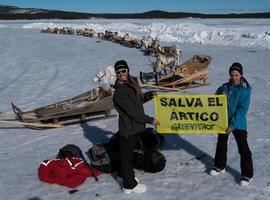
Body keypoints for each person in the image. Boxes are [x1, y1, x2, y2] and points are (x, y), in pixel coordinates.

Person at [112, 60, 160, 194]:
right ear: (116, 74)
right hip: (128, 129)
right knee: (127, 158)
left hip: (134, 128)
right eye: (118, 72)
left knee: (127, 156)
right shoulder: (120, 92)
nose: (121, 74)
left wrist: (149, 95)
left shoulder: (130, 85)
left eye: (124, 71)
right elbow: (133, 112)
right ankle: (129, 185)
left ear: (127, 70)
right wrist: (151, 120)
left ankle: (126, 177)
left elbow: (137, 100)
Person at [209, 62, 253, 186]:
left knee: (243, 148)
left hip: (237, 123)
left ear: (241, 75)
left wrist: (232, 125)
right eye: (232, 75)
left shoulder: (245, 90)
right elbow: (213, 99)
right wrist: (219, 96)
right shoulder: (224, 87)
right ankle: (219, 166)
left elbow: (242, 110)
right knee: (221, 144)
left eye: (237, 75)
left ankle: (247, 175)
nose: (234, 78)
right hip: (223, 121)